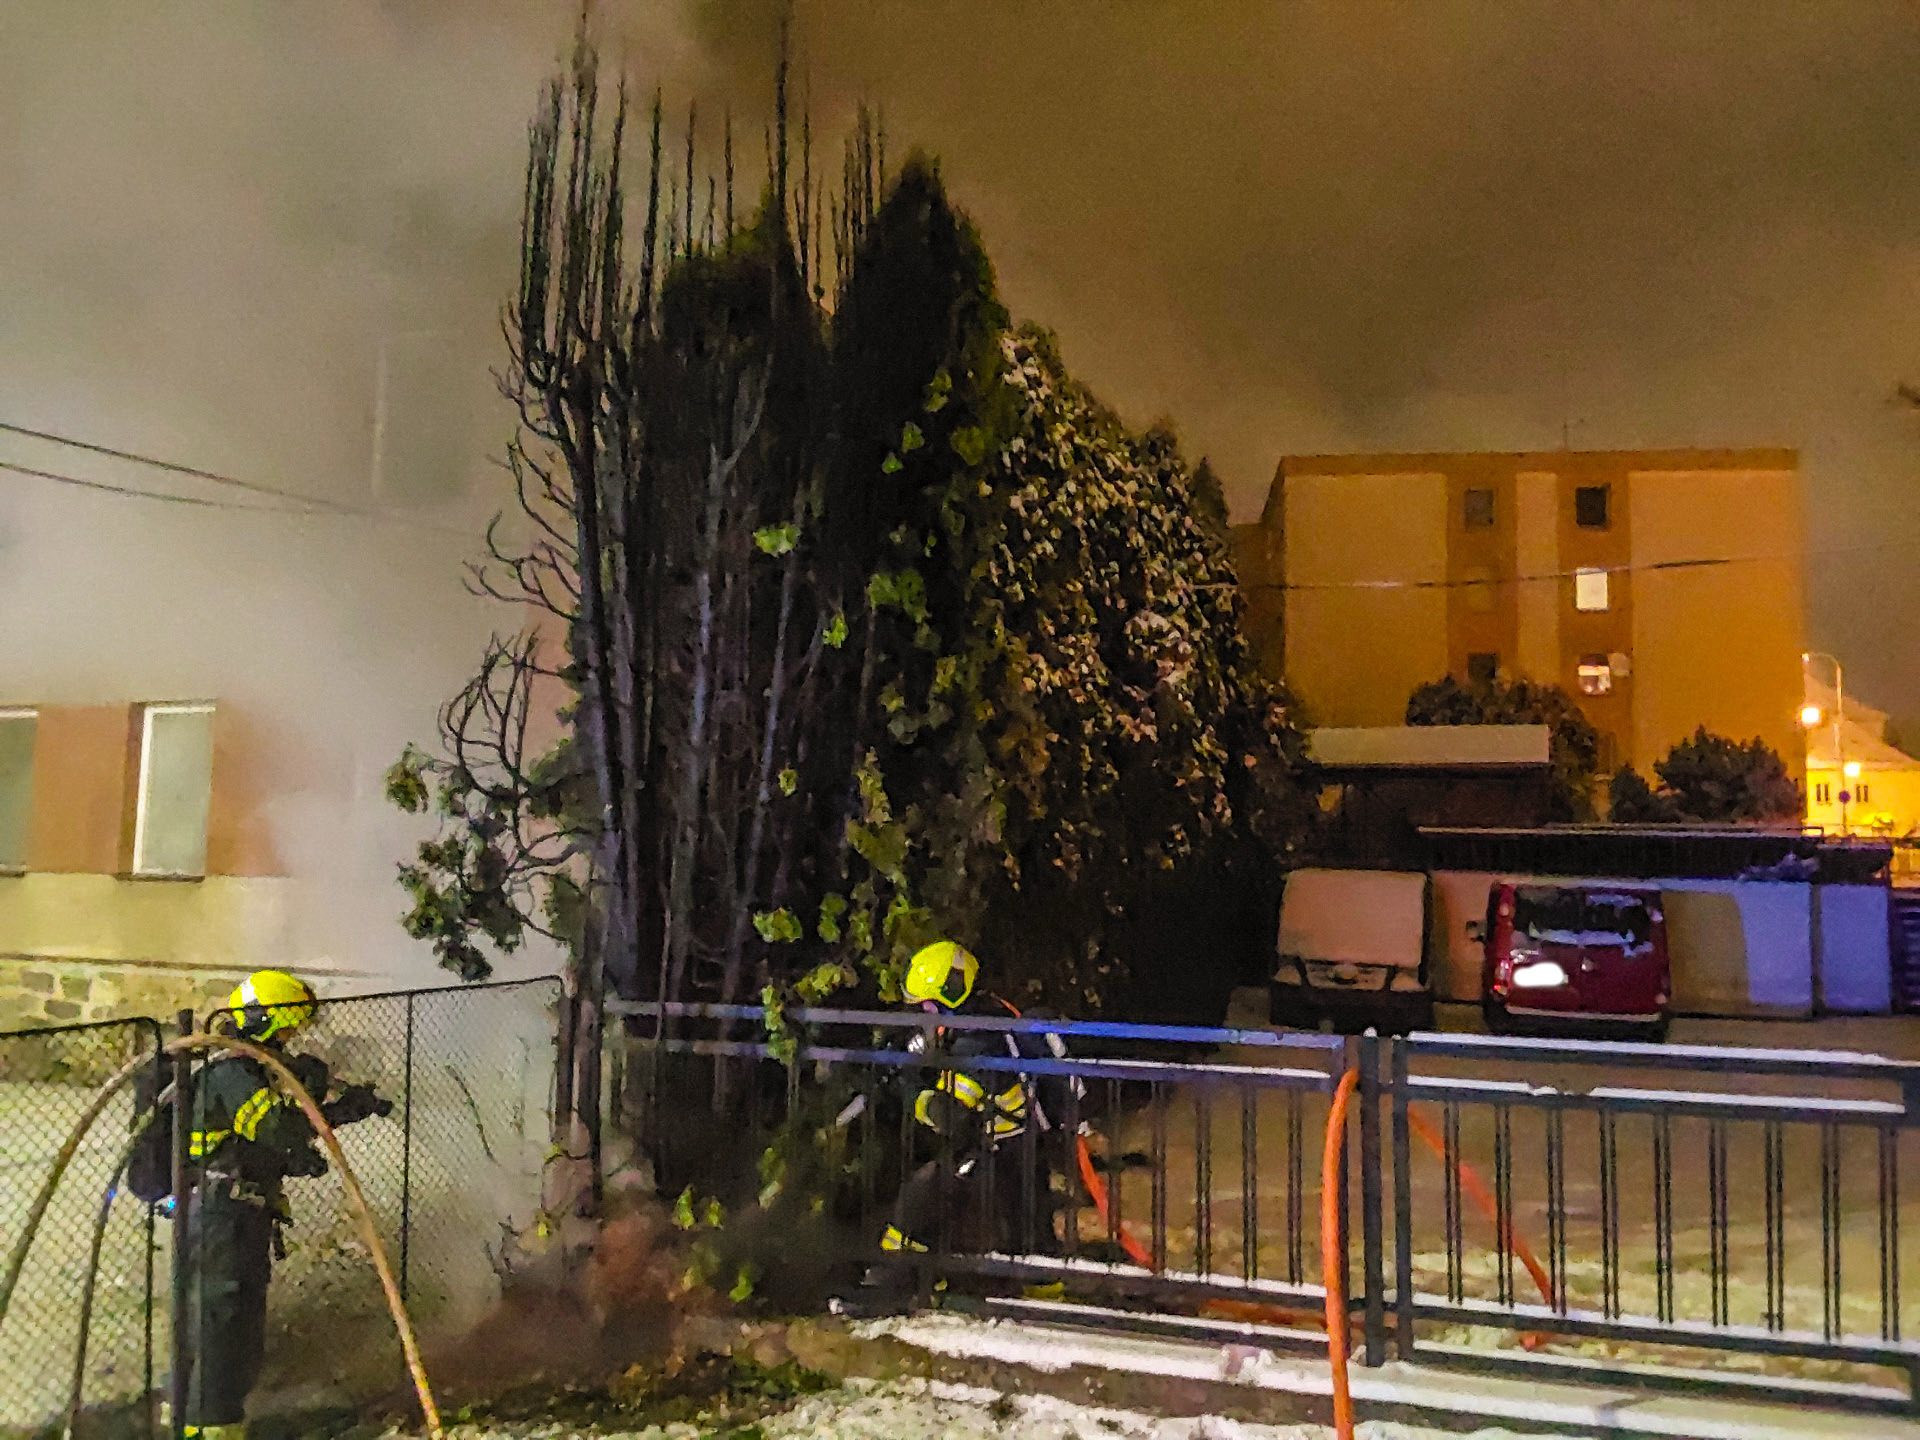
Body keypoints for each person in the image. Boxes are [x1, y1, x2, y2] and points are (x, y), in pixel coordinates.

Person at [182, 969, 391, 1440]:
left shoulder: (247, 1070)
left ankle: (221, 1419)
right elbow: (279, 1128)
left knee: (240, 1319)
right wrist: (321, 1102)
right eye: (288, 1029)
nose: (291, 1039)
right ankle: (204, 1425)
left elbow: (271, 1138)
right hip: (221, 1215)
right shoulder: (231, 1072)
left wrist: (339, 1111)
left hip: (242, 1213)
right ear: (265, 1021)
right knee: (220, 1321)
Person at [850, 940, 1078, 1311]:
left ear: (949, 995)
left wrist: (908, 1087)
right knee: (1029, 1234)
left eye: (927, 1006)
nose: (924, 1014)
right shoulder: (985, 1016)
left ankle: (887, 1288)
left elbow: (949, 1116)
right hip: (1017, 1143)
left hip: (999, 1146)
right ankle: (1044, 1301)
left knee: (920, 1199)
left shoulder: (975, 1042)